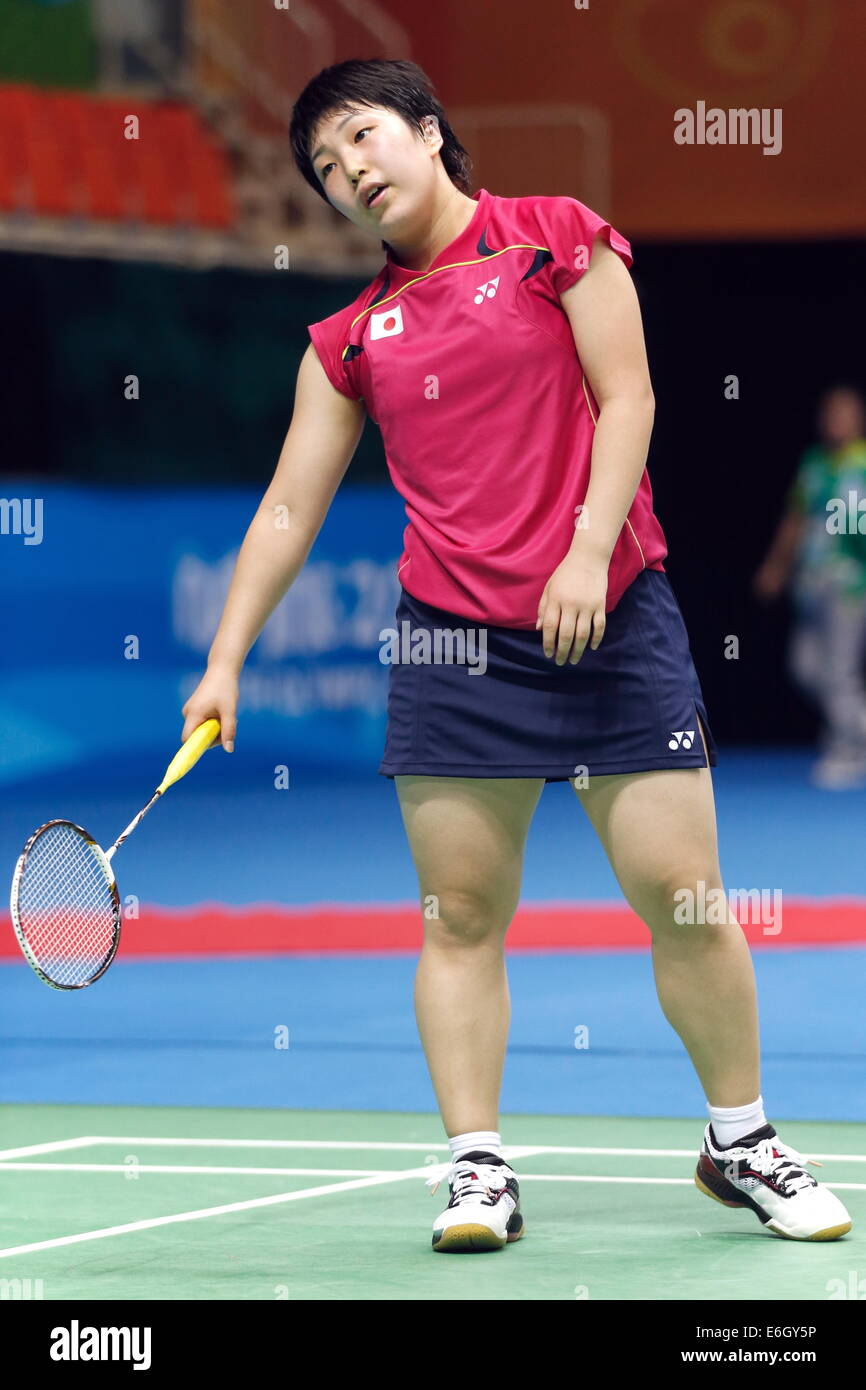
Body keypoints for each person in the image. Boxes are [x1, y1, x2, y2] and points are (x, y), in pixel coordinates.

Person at [181, 58, 851, 1250]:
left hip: (609, 614)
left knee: (682, 895)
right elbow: (286, 510)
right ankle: (476, 1167)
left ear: (429, 133)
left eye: (366, 140)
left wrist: (587, 553)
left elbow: (629, 398)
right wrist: (226, 656)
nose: (352, 174)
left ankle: (738, 1138)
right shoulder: (348, 339)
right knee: (458, 915)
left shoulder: (555, 241)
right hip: (452, 643)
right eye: (328, 172)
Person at [754, 385, 866, 788]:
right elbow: (795, 519)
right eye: (831, 413)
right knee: (804, 667)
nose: (837, 421)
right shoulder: (815, 463)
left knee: (840, 671)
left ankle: (847, 750)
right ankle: (857, 721)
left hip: (852, 586)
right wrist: (776, 567)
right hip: (811, 585)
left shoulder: (863, 464)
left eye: (845, 413)